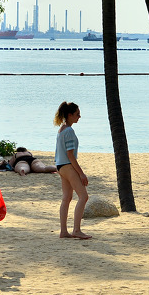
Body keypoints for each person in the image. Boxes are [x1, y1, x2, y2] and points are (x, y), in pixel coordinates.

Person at [54, 102, 91, 239]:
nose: (79, 117)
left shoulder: (62, 129)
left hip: (60, 166)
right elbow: (70, 155)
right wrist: (81, 173)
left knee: (67, 198)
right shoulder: (69, 131)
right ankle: (76, 230)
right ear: (69, 115)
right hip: (67, 166)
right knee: (83, 196)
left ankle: (64, 231)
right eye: (77, 114)